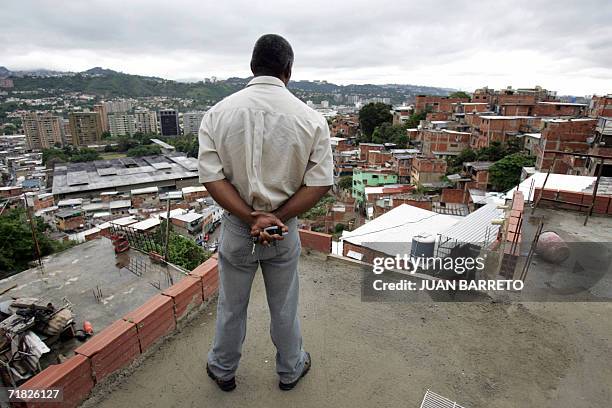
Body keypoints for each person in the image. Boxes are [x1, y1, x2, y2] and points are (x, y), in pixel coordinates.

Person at [197, 34, 333, 392]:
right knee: (284, 306)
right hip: (283, 230)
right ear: (288, 70)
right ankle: (290, 370)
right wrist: (277, 216)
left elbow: (211, 177)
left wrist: (250, 218)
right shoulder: (312, 120)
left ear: (252, 66)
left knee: (231, 306)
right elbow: (319, 184)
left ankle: (223, 370)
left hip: (238, 229)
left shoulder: (217, 114)